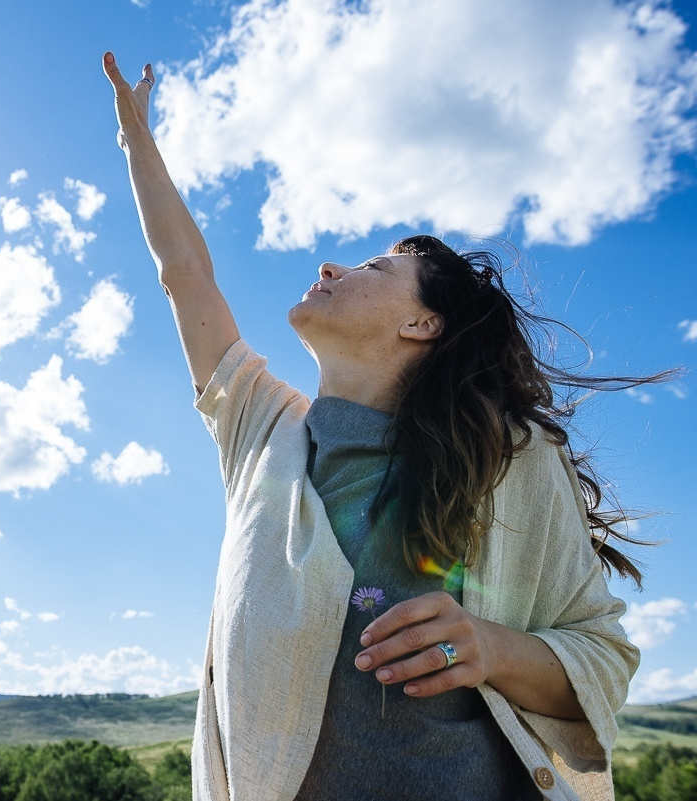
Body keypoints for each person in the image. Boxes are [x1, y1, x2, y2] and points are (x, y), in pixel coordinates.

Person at [102, 51, 662, 801]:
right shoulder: (260, 434)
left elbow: (600, 657)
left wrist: (487, 646)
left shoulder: (509, 458)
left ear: (420, 321)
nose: (331, 266)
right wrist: (138, 141)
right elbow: (185, 274)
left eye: (371, 266)